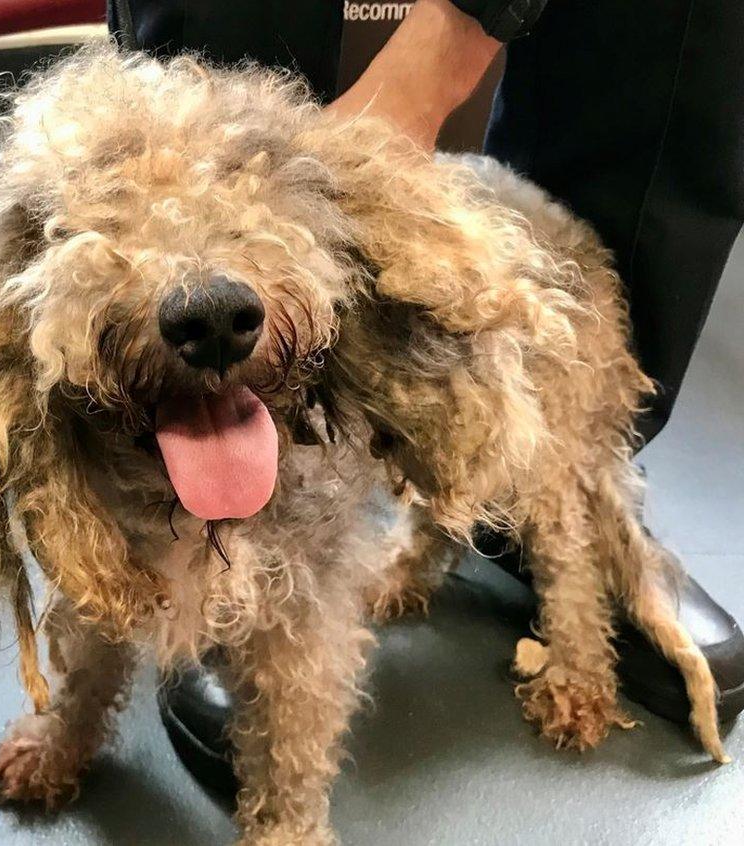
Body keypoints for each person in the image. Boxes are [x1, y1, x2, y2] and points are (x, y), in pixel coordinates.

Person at [107, 0, 744, 790]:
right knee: (223, 138)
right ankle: (219, 544)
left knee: (539, 448)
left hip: (543, 270)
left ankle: (540, 563)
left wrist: (438, 56)